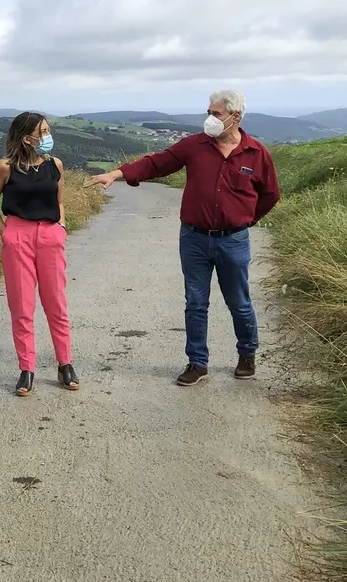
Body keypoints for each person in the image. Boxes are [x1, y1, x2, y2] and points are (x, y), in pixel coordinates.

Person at [89, 89, 281, 386]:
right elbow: (157, 163)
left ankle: (247, 354)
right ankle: (197, 363)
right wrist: (118, 173)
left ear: (236, 117)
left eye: (216, 114)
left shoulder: (256, 153)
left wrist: (247, 220)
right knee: (195, 302)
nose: (210, 119)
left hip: (233, 240)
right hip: (194, 238)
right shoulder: (194, 146)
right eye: (209, 112)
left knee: (239, 302)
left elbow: (270, 194)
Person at [0, 112, 78, 397]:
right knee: (22, 307)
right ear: (26, 136)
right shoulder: (5, 167)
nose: (47, 137)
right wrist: (7, 234)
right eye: (43, 132)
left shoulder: (55, 165)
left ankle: (65, 363)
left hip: (50, 235)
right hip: (18, 236)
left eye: (48, 130)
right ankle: (27, 368)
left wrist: (60, 226)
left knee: (56, 303)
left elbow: (59, 200)